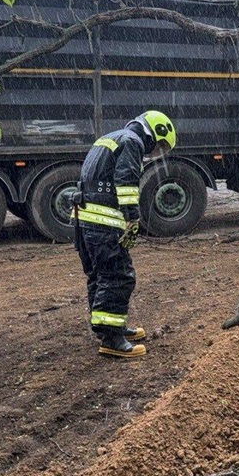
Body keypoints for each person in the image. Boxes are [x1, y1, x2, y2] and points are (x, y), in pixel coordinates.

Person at [75, 111, 177, 358]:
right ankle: (112, 339)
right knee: (119, 276)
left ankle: (107, 328)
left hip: (84, 219)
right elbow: (126, 182)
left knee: (99, 275)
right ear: (156, 132)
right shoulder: (132, 142)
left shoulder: (110, 137)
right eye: (160, 146)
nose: (155, 152)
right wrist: (132, 218)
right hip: (104, 222)